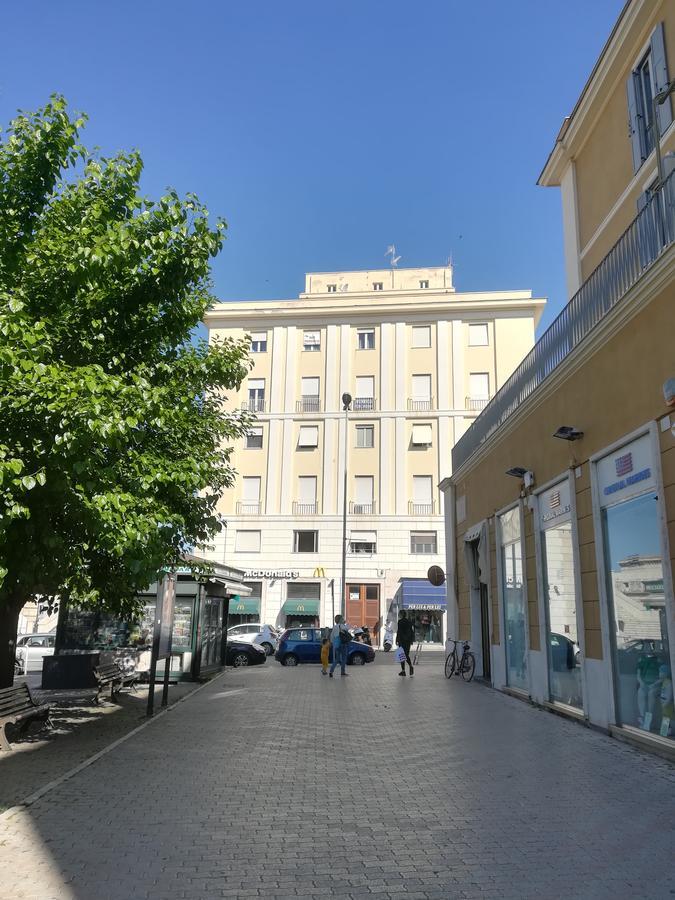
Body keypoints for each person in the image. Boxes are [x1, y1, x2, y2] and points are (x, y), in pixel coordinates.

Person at [396, 610, 415, 677]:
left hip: (402, 640)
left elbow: (399, 631)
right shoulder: (409, 622)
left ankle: (403, 670)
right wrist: (411, 640)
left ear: (401, 614)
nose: (399, 615)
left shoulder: (400, 622)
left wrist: (397, 639)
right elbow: (411, 631)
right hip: (408, 641)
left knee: (402, 656)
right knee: (406, 655)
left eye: (399, 614)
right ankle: (410, 666)